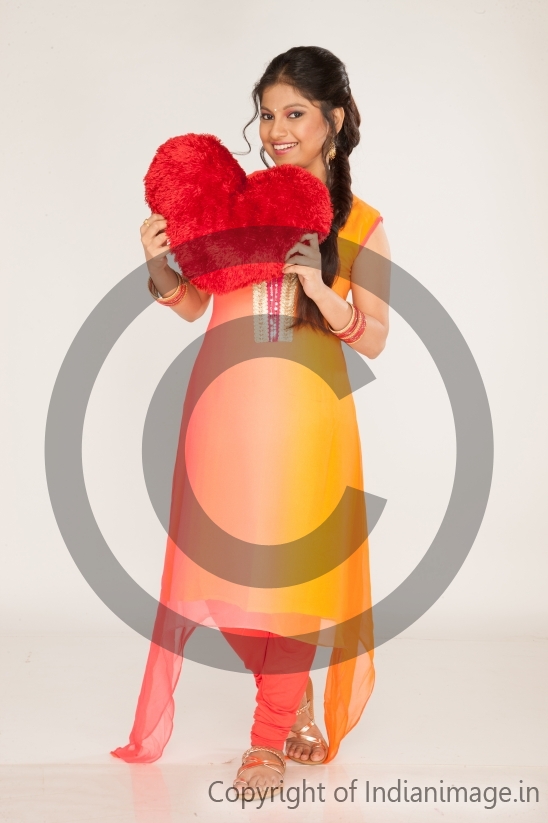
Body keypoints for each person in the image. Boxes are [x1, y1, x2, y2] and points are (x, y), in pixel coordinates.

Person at [112, 45, 391, 799]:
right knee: (225, 578)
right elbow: (199, 305)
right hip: (221, 415)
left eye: (294, 113)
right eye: (267, 114)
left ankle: (265, 740)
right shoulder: (234, 204)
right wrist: (162, 264)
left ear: (334, 119)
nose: (274, 129)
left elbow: (372, 335)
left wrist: (314, 283)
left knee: (292, 583)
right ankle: (286, 689)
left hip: (304, 426)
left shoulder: (359, 221)